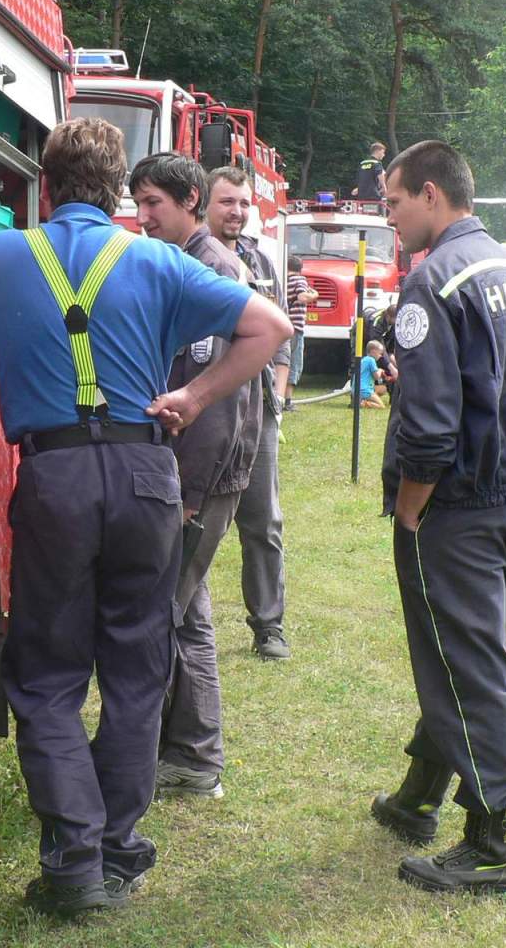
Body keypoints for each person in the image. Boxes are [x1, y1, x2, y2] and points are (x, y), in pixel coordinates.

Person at [0, 118, 288, 917]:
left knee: (47, 676)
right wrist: (193, 396)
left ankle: (74, 861)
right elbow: (271, 327)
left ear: (45, 185)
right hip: (146, 476)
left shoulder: (2, 254)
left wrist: (18, 367)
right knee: (136, 670)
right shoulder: (157, 259)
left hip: (55, 476)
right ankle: (118, 850)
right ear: (119, 191)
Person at [371, 139, 506, 896]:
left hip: (457, 512)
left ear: (430, 194)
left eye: (393, 203)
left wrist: (409, 512)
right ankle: (419, 795)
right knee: (468, 653)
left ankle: (491, 844)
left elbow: (430, 429)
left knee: (470, 668)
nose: (389, 219)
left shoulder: (431, 282)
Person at [128, 153, 264, 797]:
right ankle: (192, 753)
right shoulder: (186, 262)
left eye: (153, 203)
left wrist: (190, 494)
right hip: (196, 474)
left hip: (202, 476)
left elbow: (221, 400)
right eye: (138, 203)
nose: (142, 216)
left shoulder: (211, 270)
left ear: (189, 200)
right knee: (190, 611)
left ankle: (185, 756)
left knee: (168, 612)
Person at [205, 166, 292, 662]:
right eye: (227, 202)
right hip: (205, 409)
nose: (237, 212)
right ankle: (173, 613)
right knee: (191, 517)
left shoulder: (258, 261)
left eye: (243, 203)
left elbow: (283, 334)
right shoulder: (189, 259)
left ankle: (269, 626)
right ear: (203, 204)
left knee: (263, 522)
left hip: (258, 414)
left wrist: (277, 390)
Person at [284, 254, 311, 404]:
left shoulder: (282, 280)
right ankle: (288, 400)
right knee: (294, 364)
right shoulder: (300, 280)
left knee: (282, 361)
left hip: (282, 326)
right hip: (295, 327)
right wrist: (315, 295)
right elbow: (302, 297)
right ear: (300, 269)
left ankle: (277, 398)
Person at [357, 341, 386, 409]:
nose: (380, 356)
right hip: (364, 390)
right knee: (381, 406)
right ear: (373, 351)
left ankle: (365, 400)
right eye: (380, 353)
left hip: (357, 389)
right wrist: (380, 370)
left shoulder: (364, 360)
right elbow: (377, 377)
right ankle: (364, 403)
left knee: (383, 389)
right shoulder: (371, 360)